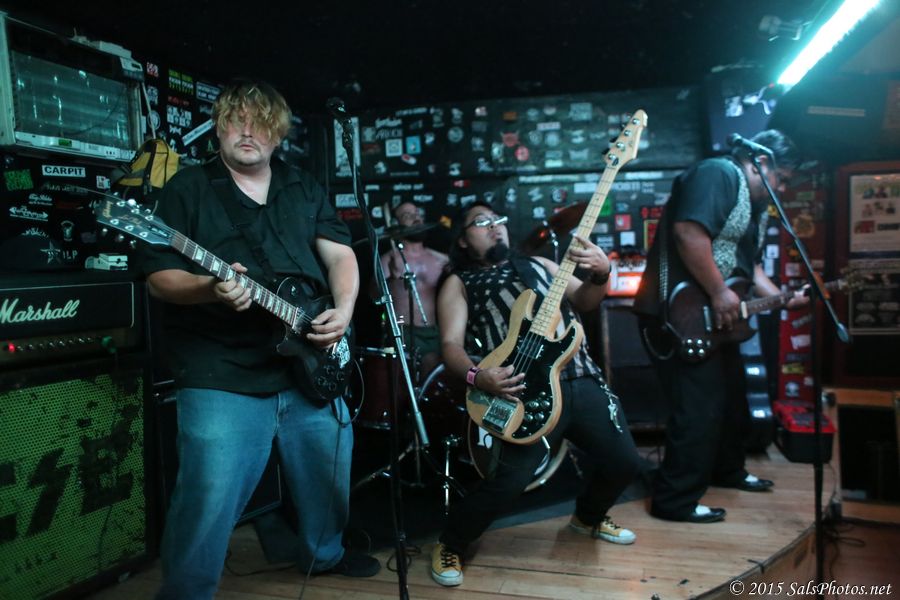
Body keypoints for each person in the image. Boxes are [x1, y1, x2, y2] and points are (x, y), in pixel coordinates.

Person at [140, 80, 380, 600]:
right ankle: (185, 593)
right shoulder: (187, 189)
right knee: (207, 494)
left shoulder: (302, 186)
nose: (247, 132)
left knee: (330, 471)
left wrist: (342, 310)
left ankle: (325, 554)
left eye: (261, 123)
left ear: (279, 134)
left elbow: (340, 254)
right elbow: (159, 279)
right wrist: (209, 287)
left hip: (309, 361)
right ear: (219, 128)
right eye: (236, 121)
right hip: (220, 368)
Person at [429, 201, 642, 587]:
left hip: (581, 377)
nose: (495, 226)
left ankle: (588, 518)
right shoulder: (459, 282)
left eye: (499, 220)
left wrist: (601, 273)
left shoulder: (542, 265)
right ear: (462, 240)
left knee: (625, 461)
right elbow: (450, 346)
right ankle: (451, 542)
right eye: (482, 222)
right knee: (507, 484)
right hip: (523, 391)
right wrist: (478, 377)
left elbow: (587, 300)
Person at [633, 129, 809, 524]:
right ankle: (674, 501)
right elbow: (688, 232)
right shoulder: (718, 174)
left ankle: (727, 470)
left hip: (715, 318)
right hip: (679, 314)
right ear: (760, 162)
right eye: (780, 178)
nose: (781, 189)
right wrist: (718, 291)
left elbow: (751, 268)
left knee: (732, 400)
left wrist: (783, 298)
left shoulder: (754, 207)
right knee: (698, 408)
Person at [375, 201, 448, 376]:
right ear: (396, 224)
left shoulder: (441, 260)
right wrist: (391, 278)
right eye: (408, 215)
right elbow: (373, 296)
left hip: (435, 331)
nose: (416, 218)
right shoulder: (389, 259)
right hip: (403, 333)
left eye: (417, 213)